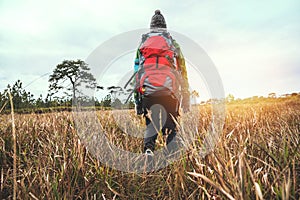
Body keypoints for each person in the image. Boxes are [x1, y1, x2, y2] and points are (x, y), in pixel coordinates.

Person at [133, 10, 190, 157]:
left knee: (151, 124)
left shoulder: (143, 44)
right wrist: (186, 98)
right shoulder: (172, 42)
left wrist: (138, 102)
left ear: (151, 27)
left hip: (148, 91)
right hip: (169, 91)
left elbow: (137, 72)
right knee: (171, 123)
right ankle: (171, 156)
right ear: (165, 26)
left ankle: (149, 150)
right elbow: (182, 70)